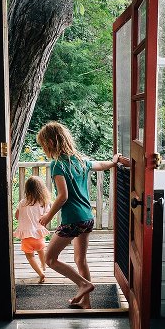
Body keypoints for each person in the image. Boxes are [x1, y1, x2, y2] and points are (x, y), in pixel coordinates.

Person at [36, 121, 121, 308]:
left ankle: (84, 284)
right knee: (80, 260)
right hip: (87, 218)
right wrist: (114, 162)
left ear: (50, 143)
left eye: (43, 144)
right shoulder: (80, 160)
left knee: (50, 259)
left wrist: (48, 216)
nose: (43, 148)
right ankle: (86, 303)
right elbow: (100, 165)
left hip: (72, 220)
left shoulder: (57, 165)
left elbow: (63, 196)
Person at [14, 176, 51, 283]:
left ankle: (41, 273)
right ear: (41, 189)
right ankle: (43, 265)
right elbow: (47, 215)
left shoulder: (22, 202)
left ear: (27, 189)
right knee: (41, 250)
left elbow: (17, 216)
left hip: (26, 236)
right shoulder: (43, 202)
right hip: (38, 235)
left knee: (30, 257)